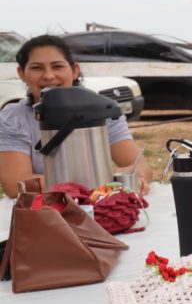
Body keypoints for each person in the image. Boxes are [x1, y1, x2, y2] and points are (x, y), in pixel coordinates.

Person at [0, 35, 154, 198]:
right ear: (22, 73)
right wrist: (98, 183)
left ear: (74, 71)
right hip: (43, 213)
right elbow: (15, 185)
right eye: (37, 68)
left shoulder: (101, 111)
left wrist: (135, 174)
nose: (49, 76)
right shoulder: (13, 119)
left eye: (57, 66)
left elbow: (141, 166)